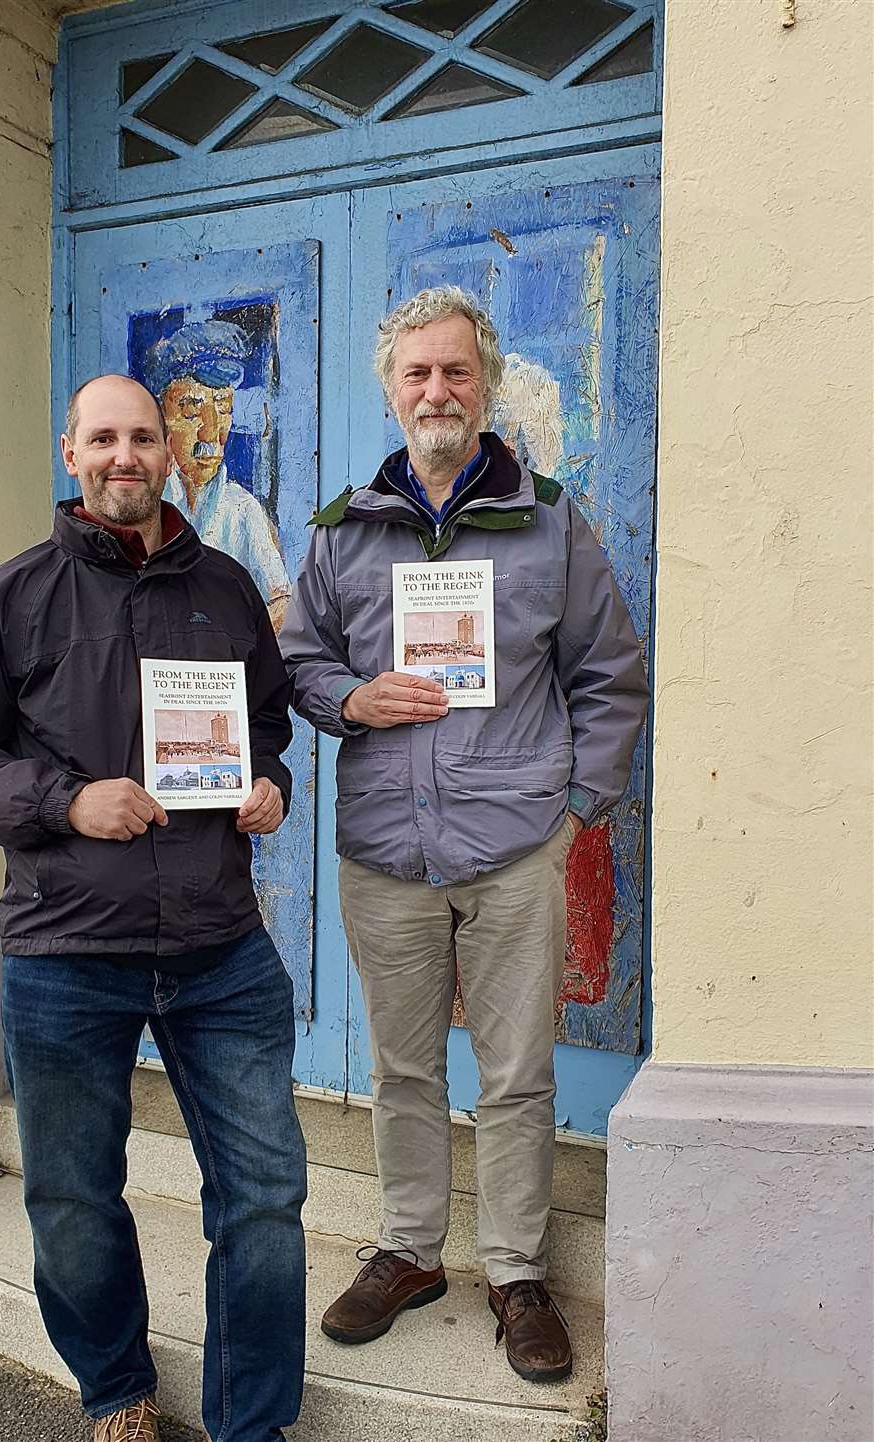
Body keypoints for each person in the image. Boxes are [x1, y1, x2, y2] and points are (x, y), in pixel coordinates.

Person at [0, 374, 306, 1442]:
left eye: (143, 438)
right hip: (67, 947)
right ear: (71, 451)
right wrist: (64, 800)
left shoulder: (223, 587)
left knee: (264, 1195)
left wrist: (270, 784)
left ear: (171, 452)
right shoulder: (14, 594)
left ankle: (249, 1421)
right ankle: (117, 1388)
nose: (125, 455)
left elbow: (267, 725)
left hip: (221, 943)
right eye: (104, 438)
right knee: (75, 1196)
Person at [280, 287, 648, 1383]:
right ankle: (407, 1248)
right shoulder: (346, 531)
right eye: (416, 374)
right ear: (389, 390)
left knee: (517, 1071)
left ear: (484, 383)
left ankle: (516, 1268)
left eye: (455, 372)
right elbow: (298, 661)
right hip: (386, 851)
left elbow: (610, 675)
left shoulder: (550, 521)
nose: (435, 390)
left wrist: (573, 813)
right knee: (401, 1066)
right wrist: (352, 699)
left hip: (513, 848)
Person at [147, 320, 292, 631]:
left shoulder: (241, 511)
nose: (211, 431)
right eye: (191, 411)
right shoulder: (146, 508)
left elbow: (281, 601)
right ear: (162, 419)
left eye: (224, 408)